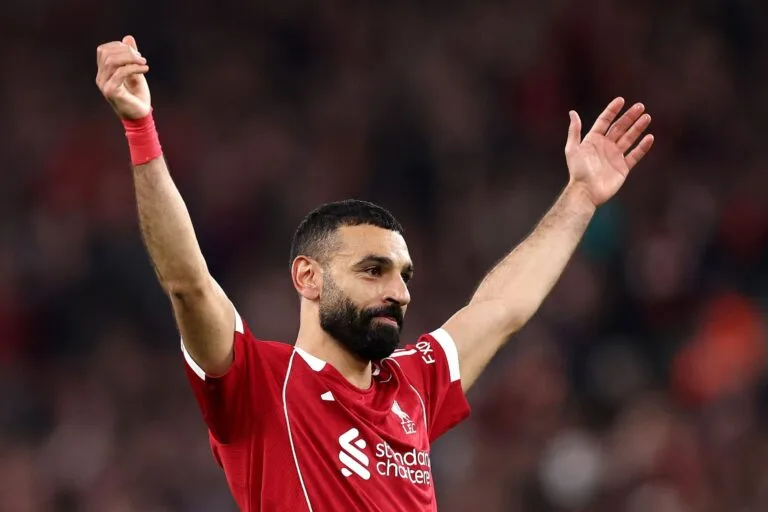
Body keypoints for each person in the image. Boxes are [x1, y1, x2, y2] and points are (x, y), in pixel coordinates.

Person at [94, 35, 654, 511]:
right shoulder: (259, 384)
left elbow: (502, 307)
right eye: (373, 270)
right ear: (307, 278)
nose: (399, 291)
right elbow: (189, 284)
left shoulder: (414, 384)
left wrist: (580, 197)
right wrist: (141, 129)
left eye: (404, 275)